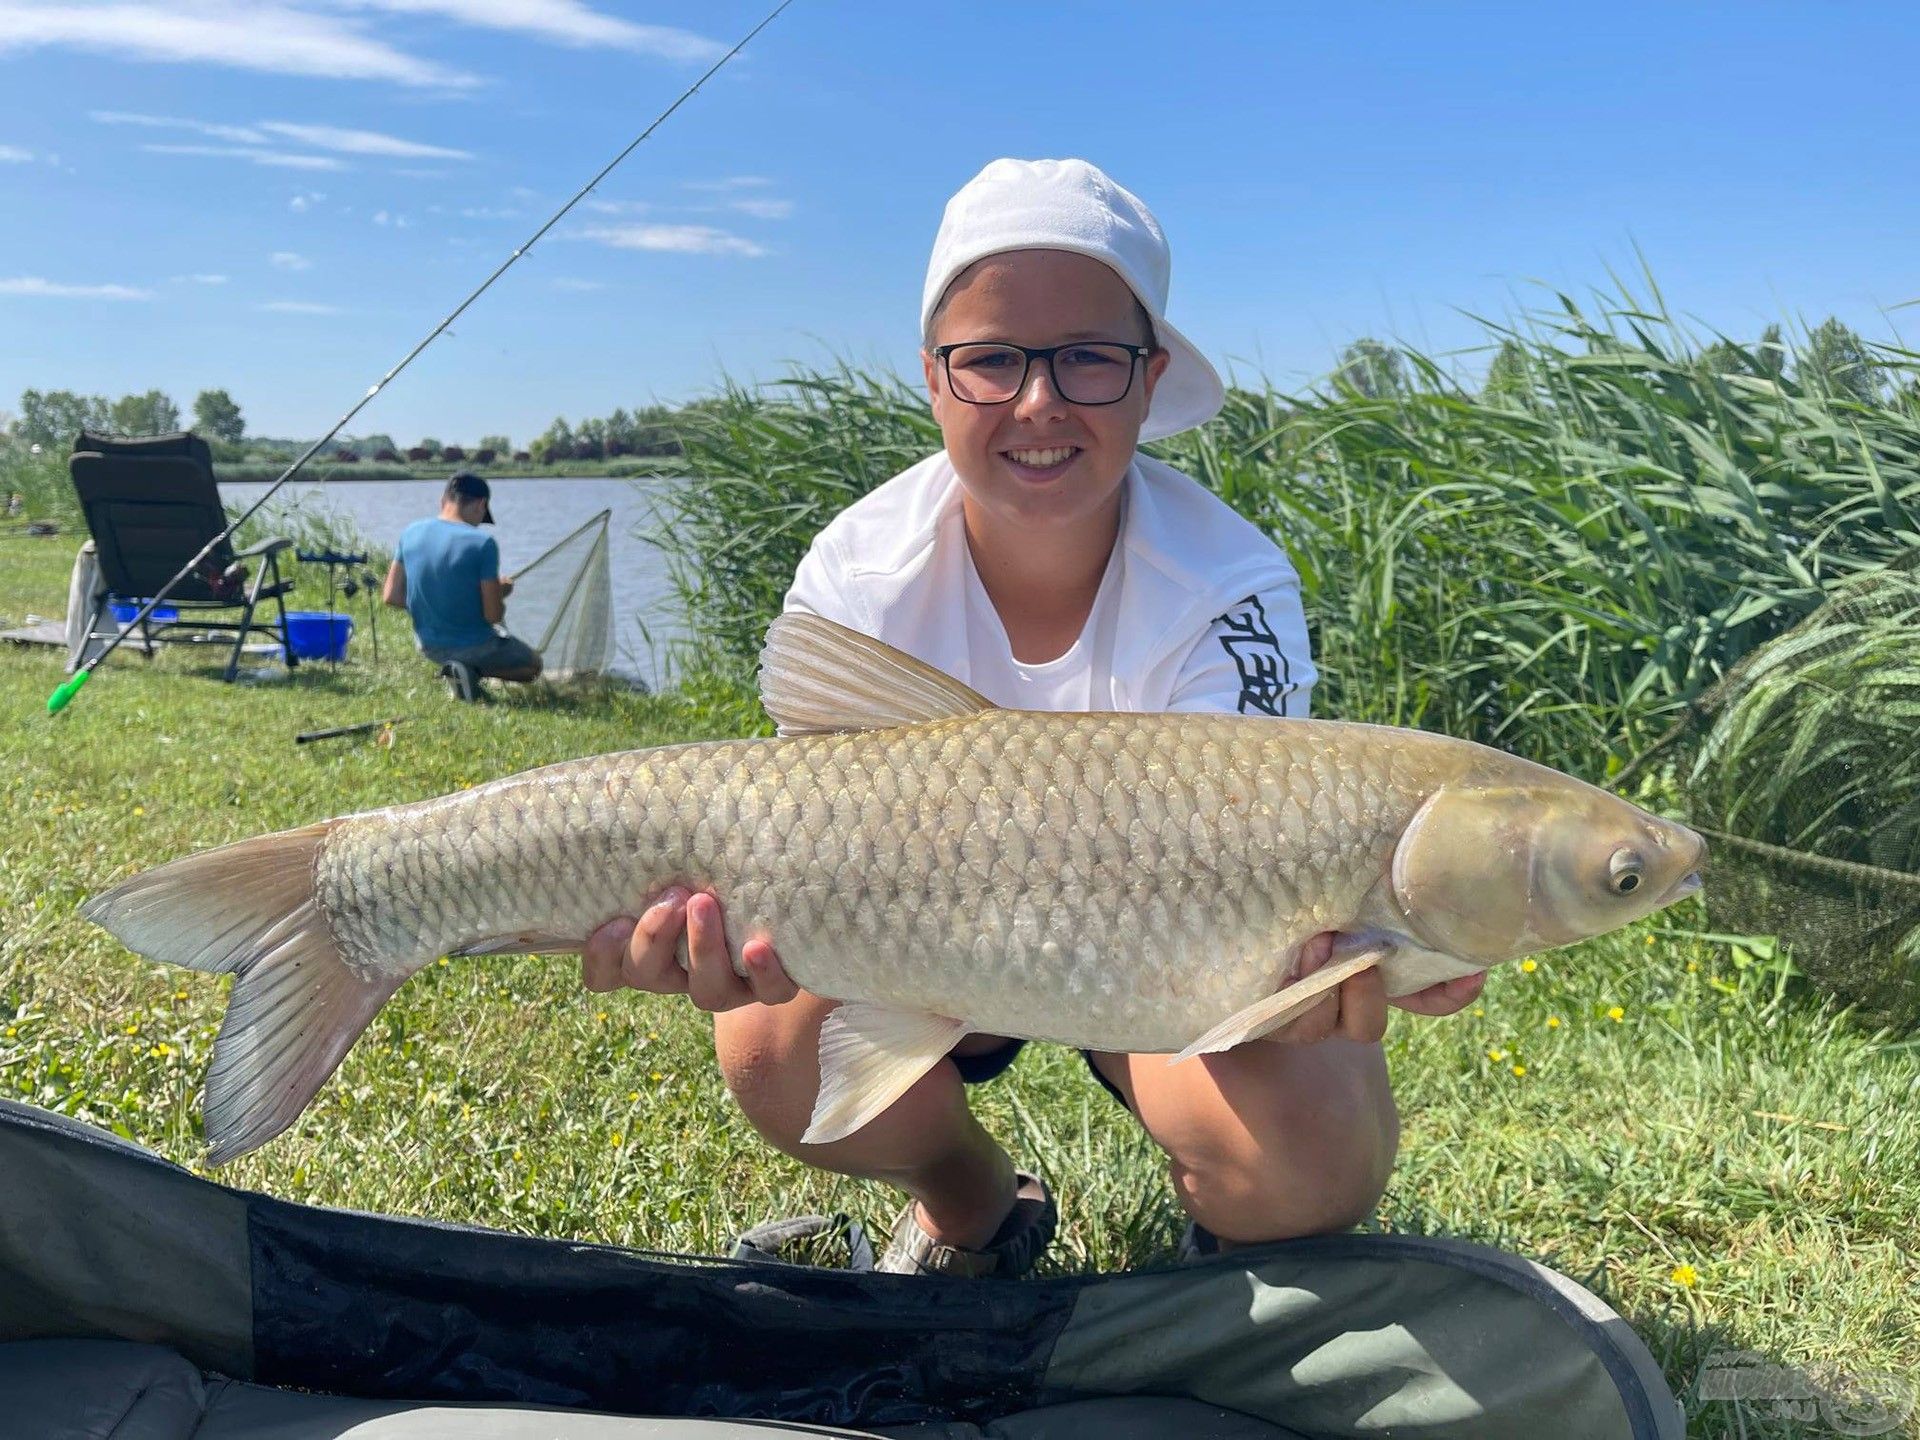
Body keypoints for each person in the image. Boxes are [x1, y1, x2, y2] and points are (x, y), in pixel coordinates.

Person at [581, 158, 1484, 1276]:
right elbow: (796, 846)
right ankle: (972, 1205)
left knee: (1315, 1151)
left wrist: (1312, 979)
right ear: (933, 378)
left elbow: (1264, 880)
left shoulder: (1232, 582)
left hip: (1164, 973)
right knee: (770, 1047)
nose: (1039, 401)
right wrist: (730, 925)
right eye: (992, 359)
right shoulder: (860, 569)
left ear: (1150, 380)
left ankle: (1221, 1254)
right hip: (909, 949)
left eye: (1088, 360)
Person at [382, 471, 542, 699]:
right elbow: (493, 616)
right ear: (480, 505)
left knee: (466, 653)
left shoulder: (410, 532)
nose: (479, 523)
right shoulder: (483, 543)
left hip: (429, 646)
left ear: (443, 500)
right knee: (533, 666)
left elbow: (391, 596)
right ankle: (468, 670)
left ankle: (457, 670)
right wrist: (499, 591)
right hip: (475, 646)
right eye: (482, 516)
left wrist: (433, 600)